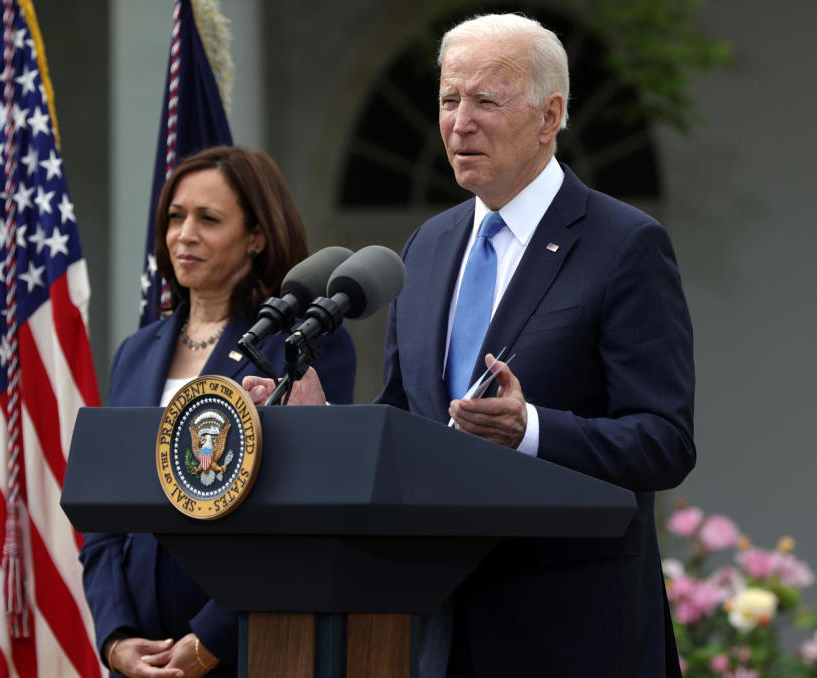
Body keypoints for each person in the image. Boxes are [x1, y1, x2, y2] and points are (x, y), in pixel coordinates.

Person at [244, 13, 695, 678]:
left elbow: (663, 442)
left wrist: (531, 430)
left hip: (572, 633)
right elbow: (407, 420)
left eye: (486, 100)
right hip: (438, 623)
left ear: (550, 117)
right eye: (449, 100)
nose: (460, 122)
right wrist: (325, 427)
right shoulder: (425, 248)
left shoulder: (623, 245)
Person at [80, 146, 356, 678]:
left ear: (256, 236)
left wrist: (210, 640)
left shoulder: (302, 346)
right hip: (141, 652)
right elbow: (103, 518)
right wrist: (116, 639)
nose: (185, 234)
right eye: (175, 217)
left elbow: (302, 516)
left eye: (209, 219)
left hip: (250, 647)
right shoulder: (135, 352)